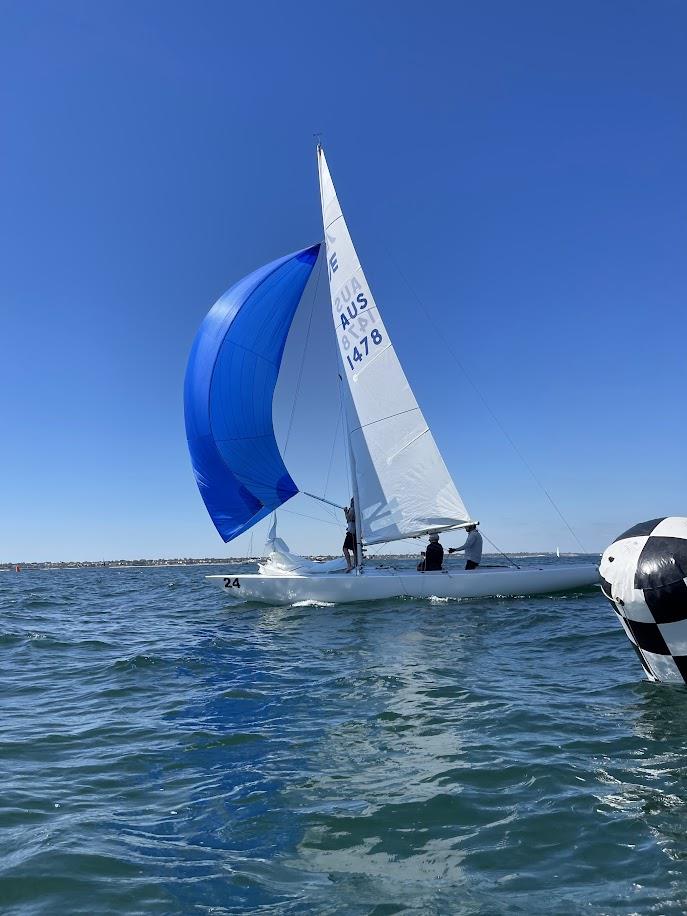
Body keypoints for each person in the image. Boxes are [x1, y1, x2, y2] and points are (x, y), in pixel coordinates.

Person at [343, 498, 356, 572]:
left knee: (345, 548)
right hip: (355, 532)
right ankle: (356, 564)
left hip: (351, 532)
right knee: (354, 549)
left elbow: (348, 518)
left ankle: (349, 565)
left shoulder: (352, 509)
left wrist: (345, 511)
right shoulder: (358, 510)